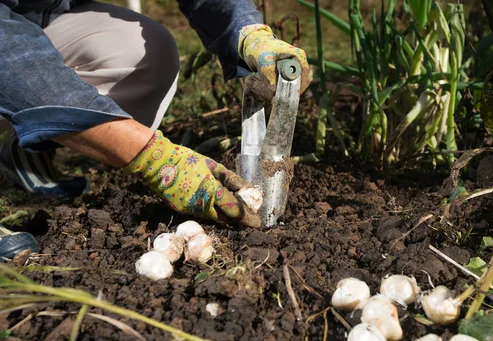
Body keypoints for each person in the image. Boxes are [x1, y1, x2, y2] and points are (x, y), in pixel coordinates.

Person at [0, 0, 311, 231]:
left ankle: (27, 146)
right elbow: (11, 56)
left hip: (34, 15)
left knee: (146, 56)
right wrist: (151, 157)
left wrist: (248, 32)